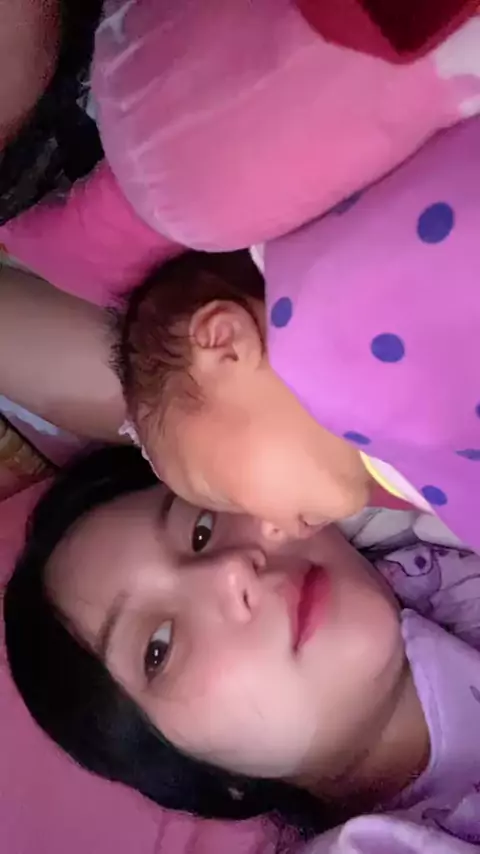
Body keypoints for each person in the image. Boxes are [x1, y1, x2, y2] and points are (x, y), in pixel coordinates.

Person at [6, 443, 480, 851]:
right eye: (159, 648)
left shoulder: (394, 490)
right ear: (214, 776)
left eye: (201, 530)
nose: (230, 570)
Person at [111, 249, 420, 540]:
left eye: (227, 495)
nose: (272, 532)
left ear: (226, 345)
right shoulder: (404, 466)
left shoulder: (374, 285)